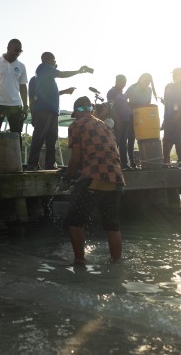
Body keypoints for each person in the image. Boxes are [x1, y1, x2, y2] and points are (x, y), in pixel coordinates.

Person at [62, 96, 125, 264]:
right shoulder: (106, 126)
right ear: (92, 110)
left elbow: (75, 158)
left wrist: (66, 179)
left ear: (75, 112)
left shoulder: (76, 125)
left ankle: (79, 263)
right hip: (117, 178)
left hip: (95, 176)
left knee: (75, 220)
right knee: (112, 224)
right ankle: (117, 263)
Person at [26, 52, 93, 170]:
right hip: (43, 111)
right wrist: (78, 71)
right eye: (54, 60)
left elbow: (45, 95)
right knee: (39, 138)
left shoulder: (43, 77)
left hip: (51, 111)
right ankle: (32, 164)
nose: (55, 63)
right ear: (47, 59)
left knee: (51, 139)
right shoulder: (44, 67)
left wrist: (65, 91)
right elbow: (62, 74)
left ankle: (50, 164)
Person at [0, 39, 28, 168]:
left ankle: (16, 162)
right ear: (8, 47)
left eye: (20, 51)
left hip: (15, 105)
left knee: (16, 134)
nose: (17, 53)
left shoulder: (22, 66)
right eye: (15, 50)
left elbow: (23, 87)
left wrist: (25, 105)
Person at [125, 73, 158, 168]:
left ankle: (146, 161)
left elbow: (148, 103)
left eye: (148, 81)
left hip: (144, 118)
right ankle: (132, 162)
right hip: (131, 116)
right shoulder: (132, 87)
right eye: (144, 80)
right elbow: (123, 100)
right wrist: (132, 106)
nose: (146, 82)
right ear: (140, 79)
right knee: (130, 139)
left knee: (143, 138)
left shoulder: (149, 90)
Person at [107, 74, 133, 171]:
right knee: (115, 142)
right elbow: (112, 107)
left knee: (123, 143)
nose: (124, 84)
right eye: (122, 81)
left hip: (126, 121)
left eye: (125, 82)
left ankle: (124, 164)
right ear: (117, 81)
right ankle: (112, 163)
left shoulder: (122, 93)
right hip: (118, 121)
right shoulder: (112, 92)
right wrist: (117, 120)